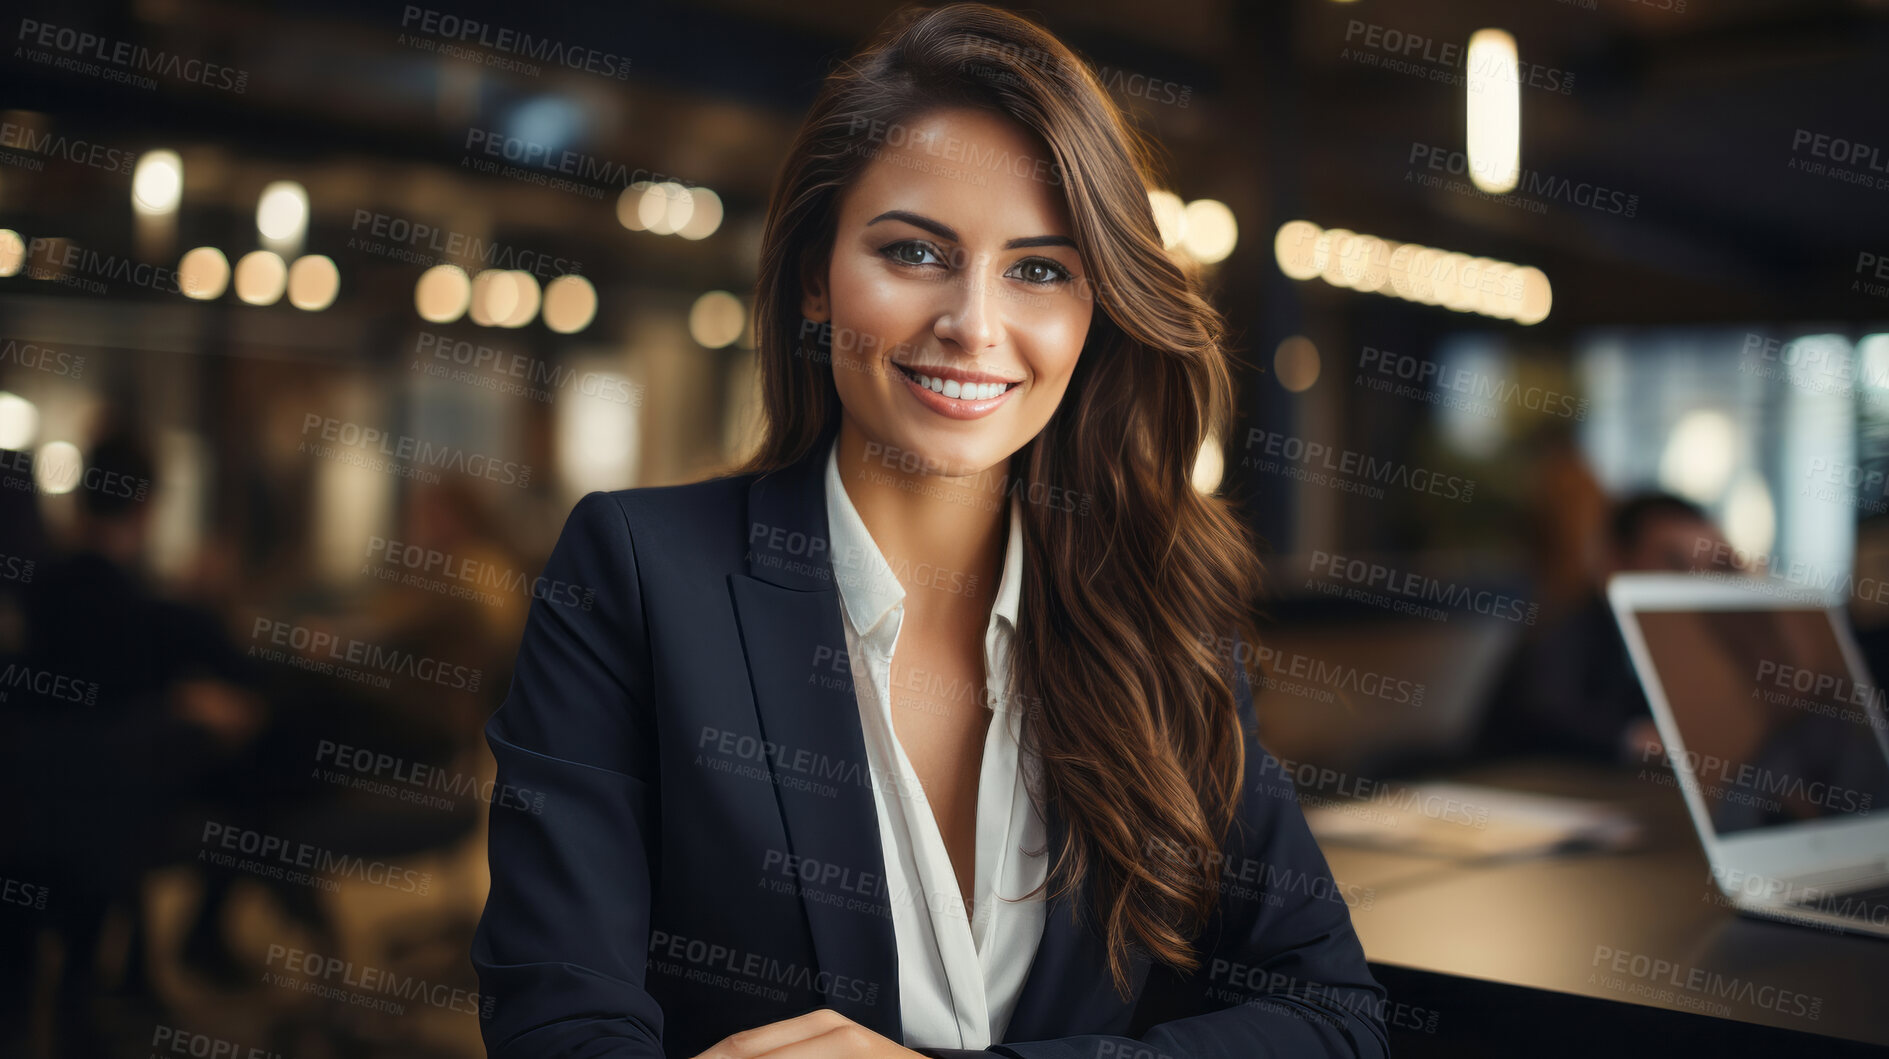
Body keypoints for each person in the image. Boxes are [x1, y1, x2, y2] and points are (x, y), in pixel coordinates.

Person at [472, 5, 1385, 1058]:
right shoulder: (639, 575)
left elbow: (1332, 1021)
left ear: (1097, 309)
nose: (973, 324)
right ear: (814, 278)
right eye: (913, 252)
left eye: (1039, 268)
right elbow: (557, 1021)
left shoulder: (1148, 606)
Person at [1475, 491, 1735, 764]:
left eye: (1707, 567)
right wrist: (1636, 737)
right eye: (1674, 563)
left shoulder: (1692, 640)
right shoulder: (1569, 629)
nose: (1691, 583)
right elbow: (1545, 715)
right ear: (1615, 562)